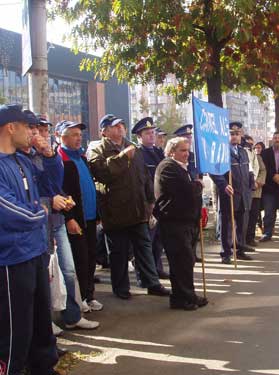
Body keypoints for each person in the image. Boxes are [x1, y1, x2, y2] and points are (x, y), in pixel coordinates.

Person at [0, 104, 60, 375]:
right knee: (15, 326)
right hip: (12, 257)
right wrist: (38, 215)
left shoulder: (23, 160)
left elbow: (50, 187)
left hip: (35, 250)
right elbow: (7, 209)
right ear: (10, 127)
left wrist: (48, 155)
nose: (33, 132)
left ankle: (43, 366)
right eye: (28, 127)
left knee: (40, 318)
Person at [87, 114, 169, 300]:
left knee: (144, 248)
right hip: (114, 211)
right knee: (118, 253)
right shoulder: (96, 149)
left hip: (138, 209)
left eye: (122, 125)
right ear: (104, 131)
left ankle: (151, 283)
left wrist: (150, 200)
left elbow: (144, 176)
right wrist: (123, 157)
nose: (120, 128)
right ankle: (121, 287)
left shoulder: (132, 147)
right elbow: (102, 174)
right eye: (115, 126)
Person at [154, 137, 208, 310]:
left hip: (186, 221)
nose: (187, 154)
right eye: (182, 150)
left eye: (187, 150)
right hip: (173, 222)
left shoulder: (181, 167)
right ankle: (183, 298)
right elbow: (186, 191)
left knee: (186, 261)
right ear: (172, 151)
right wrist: (198, 185)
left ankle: (185, 295)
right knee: (181, 261)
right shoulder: (168, 167)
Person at [57, 120, 104, 315]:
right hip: (76, 219)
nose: (79, 138)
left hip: (91, 216)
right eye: (74, 134)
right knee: (79, 260)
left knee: (91, 256)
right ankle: (80, 298)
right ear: (63, 137)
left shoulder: (81, 157)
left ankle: (89, 295)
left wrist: (98, 213)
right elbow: (62, 191)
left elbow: (90, 186)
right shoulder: (60, 159)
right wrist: (69, 218)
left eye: (79, 134)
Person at [210, 121, 254, 264]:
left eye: (237, 134)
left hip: (242, 194)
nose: (235, 136)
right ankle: (226, 253)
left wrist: (250, 186)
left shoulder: (243, 151)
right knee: (227, 224)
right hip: (229, 193)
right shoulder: (221, 152)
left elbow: (248, 170)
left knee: (241, 224)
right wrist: (224, 185)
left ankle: (239, 249)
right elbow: (214, 172)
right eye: (232, 134)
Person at [132, 117, 169, 280]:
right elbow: (139, 181)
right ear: (139, 137)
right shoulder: (137, 154)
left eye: (153, 132)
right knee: (147, 240)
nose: (151, 136)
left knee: (159, 239)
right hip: (147, 203)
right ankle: (145, 273)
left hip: (161, 202)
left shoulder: (158, 152)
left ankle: (157, 267)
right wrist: (147, 202)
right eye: (147, 133)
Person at [173, 124, 203, 262]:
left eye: (190, 136)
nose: (189, 139)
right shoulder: (176, 158)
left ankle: (193, 252)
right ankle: (188, 254)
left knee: (196, 226)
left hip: (196, 195)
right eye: (185, 137)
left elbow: (199, 174)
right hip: (185, 196)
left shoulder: (194, 156)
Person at [246, 140, 267, 247]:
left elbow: (263, 170)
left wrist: (258, 181)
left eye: (251, 143)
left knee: (254, 215)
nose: (249, 145)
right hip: (244, 192)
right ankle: (242, 239)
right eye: (248, 143)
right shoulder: (242, 156)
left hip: (256, 191)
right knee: (245, 217)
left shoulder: (258, 157)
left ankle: (250, 237)